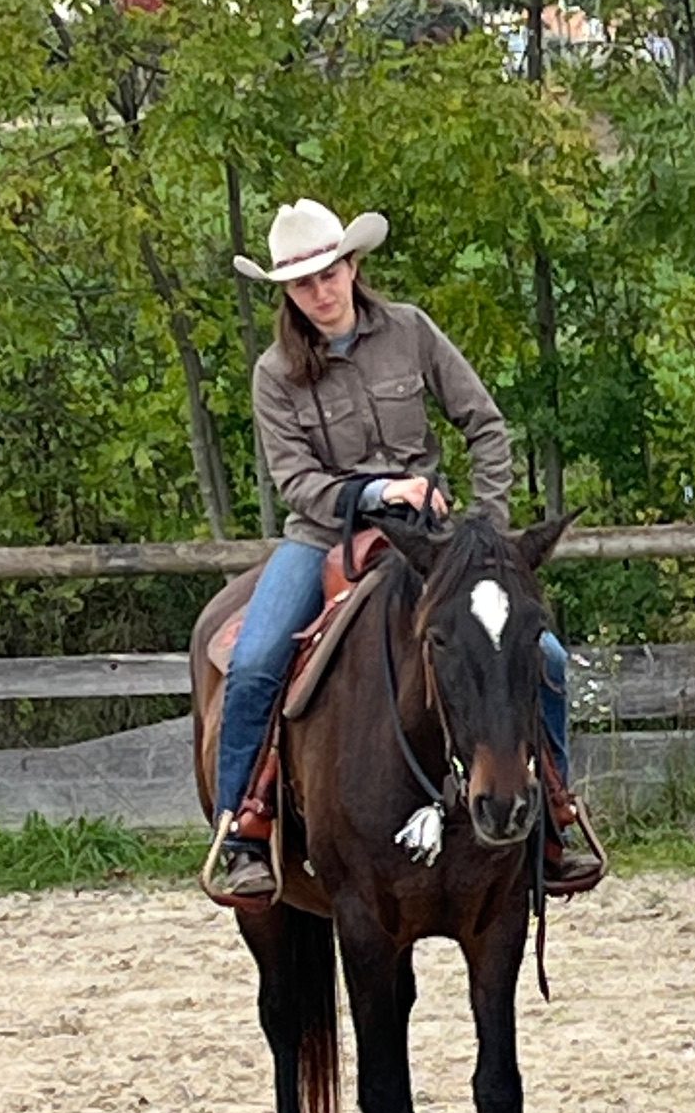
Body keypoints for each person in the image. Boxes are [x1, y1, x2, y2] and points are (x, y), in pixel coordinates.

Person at [210, 196, 597, 896]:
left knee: (543, 657)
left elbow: (484, 423)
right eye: (302, 284)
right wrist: (375, 493)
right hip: (323, 536)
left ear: (352, 266)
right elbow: (296, 481)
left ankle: (553, 814)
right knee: (257, 658)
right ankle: (245, 826)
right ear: (287, 294)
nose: (320, 293)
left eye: (329, 274)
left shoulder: (411, 331)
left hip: (434, 541)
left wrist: (485, 531)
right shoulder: (275, 373)